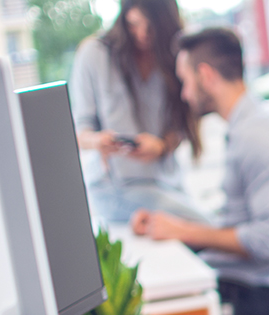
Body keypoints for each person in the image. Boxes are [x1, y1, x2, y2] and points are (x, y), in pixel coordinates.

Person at [131, 27, 269, 315]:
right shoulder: (251, 126)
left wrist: (184, 232)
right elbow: (238, 221)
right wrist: (171, 226)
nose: (185, 95)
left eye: (185, 82)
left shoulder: (256, 140)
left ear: (207, 76)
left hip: (248, 288)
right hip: (238, 275)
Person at [71, 0, 203, 223]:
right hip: (115, 188)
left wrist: (160, 147)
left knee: (203, 228)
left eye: (150, 27)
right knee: (203, 227)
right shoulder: (94, 54)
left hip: (167, 184)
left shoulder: (174, 55)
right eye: (133, 24)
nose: (142, 33)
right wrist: (98, 141)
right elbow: (79, 132)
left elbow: (181, 124)